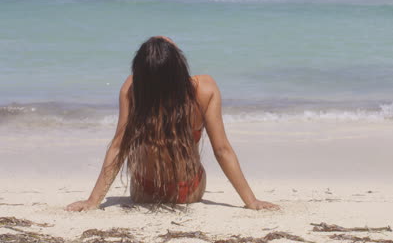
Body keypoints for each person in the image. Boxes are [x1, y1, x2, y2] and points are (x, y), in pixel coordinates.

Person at [66, 36, 278, 211]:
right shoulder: (204, 89)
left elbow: (118, 147)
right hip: (188, 191)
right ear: (179, 66)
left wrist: (93, 201)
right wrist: (251, 201)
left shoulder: (132, 90)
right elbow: (222, 150)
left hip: (144, 192)